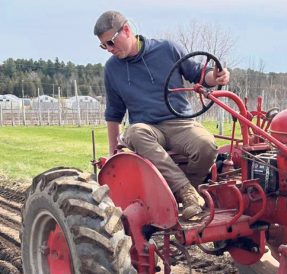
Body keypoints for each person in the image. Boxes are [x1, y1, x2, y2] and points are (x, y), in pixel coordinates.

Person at [94, 10, 230, 221]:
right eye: (104, 46)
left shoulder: (166, 49)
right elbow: (114, 113)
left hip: (178, 122)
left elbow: (199, 74)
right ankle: (185, 191)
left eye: (111, 42)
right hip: (146, 128)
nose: (109, 50)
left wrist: (217, 76)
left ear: (127, 30)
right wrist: (113, 154)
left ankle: (191, 194)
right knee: (136, 133)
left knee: (206, 144)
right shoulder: (112, 69)